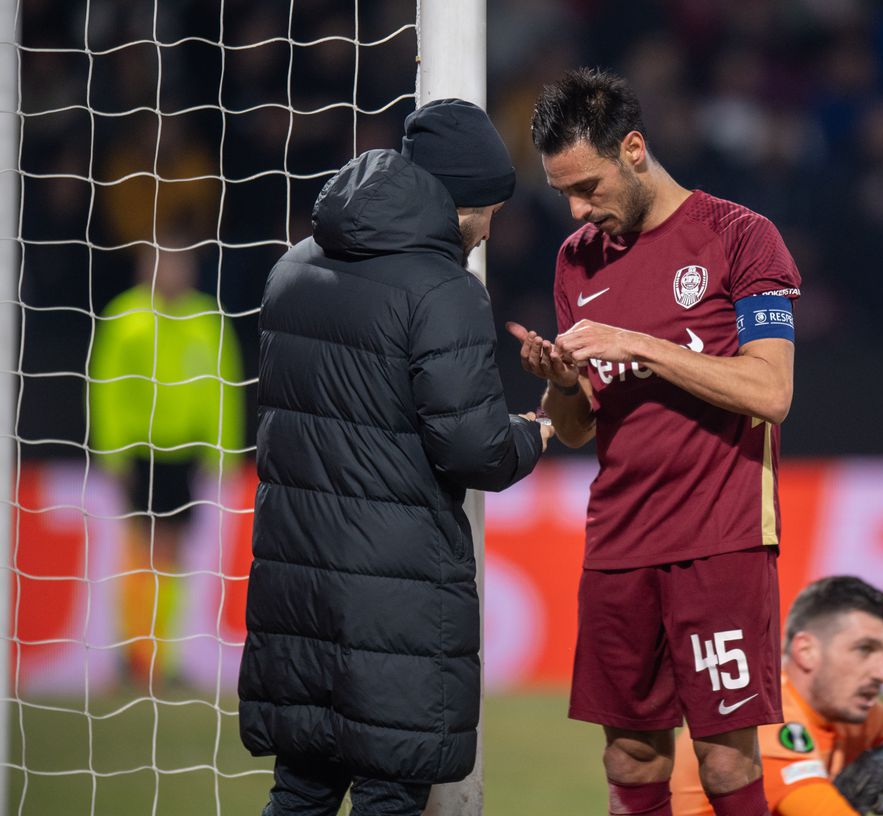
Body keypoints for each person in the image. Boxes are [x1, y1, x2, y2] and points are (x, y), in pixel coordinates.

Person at [238, 98, 554, 816]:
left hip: (297, 593)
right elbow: (474, 450)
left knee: (300, 792)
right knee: (389, 795)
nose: (491, 226)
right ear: (461, 199)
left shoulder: (292, 269)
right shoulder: (445, 291)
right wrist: (542, 428)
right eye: (489, 208)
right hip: (394, 604)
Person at [509, 68, 802, 816]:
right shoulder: (576, 260)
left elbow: (770, 394)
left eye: (589, 186)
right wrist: (563, 381)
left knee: (725, 760)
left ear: (634, 148)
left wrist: (640, 344)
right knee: (630, 754)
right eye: (563, 193)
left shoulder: (740, 236)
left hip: (720, 538)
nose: (578, 209)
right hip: (617, 542)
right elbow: (576, 429)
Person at [671, 576, 883, 816]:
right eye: (864, 649)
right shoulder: (764, 717)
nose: (882, 673)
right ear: (807, 650)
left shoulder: (861, 717)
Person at [90, 238, 244, 687]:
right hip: (140, 453)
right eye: (164, 264)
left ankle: (163, 655)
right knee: (140, 550)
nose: (173, 273)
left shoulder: (206, 319)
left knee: (174, 555)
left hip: (187, 455)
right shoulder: (125, 318)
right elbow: (107, 389)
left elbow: (224, 388)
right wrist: (113, 452)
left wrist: (223, 452)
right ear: (145, 268)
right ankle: (134, 652)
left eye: (180, 264)